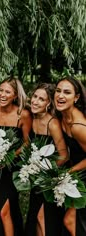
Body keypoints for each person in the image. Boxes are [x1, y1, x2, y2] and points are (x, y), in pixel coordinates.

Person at [0, 77, 32, 236]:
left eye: (7, 92)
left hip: (11, 169)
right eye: (1, 90)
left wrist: (10, 156)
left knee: (4, 211)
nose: (2, 94)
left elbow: (27, 143)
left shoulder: (23, 115)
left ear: (15, 95)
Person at [25, 83, 68, 236]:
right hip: (36, 179)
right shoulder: (32, 118)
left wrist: (45, 172)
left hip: (50, 179)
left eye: (41, 99)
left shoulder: (53, 124)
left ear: (48, 103)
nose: (35, 101)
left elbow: (64, 155)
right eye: (35, 97)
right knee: (35, 216)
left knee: (43, 217)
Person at [54, 76, 86, 236]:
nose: (60, 96)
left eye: (67, 92)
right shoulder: (62, 117)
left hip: (82, 174)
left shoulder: (79, 126)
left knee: (71, 221)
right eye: (58, 91)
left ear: (76, 97)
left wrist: (69, 171)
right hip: (77, 174)